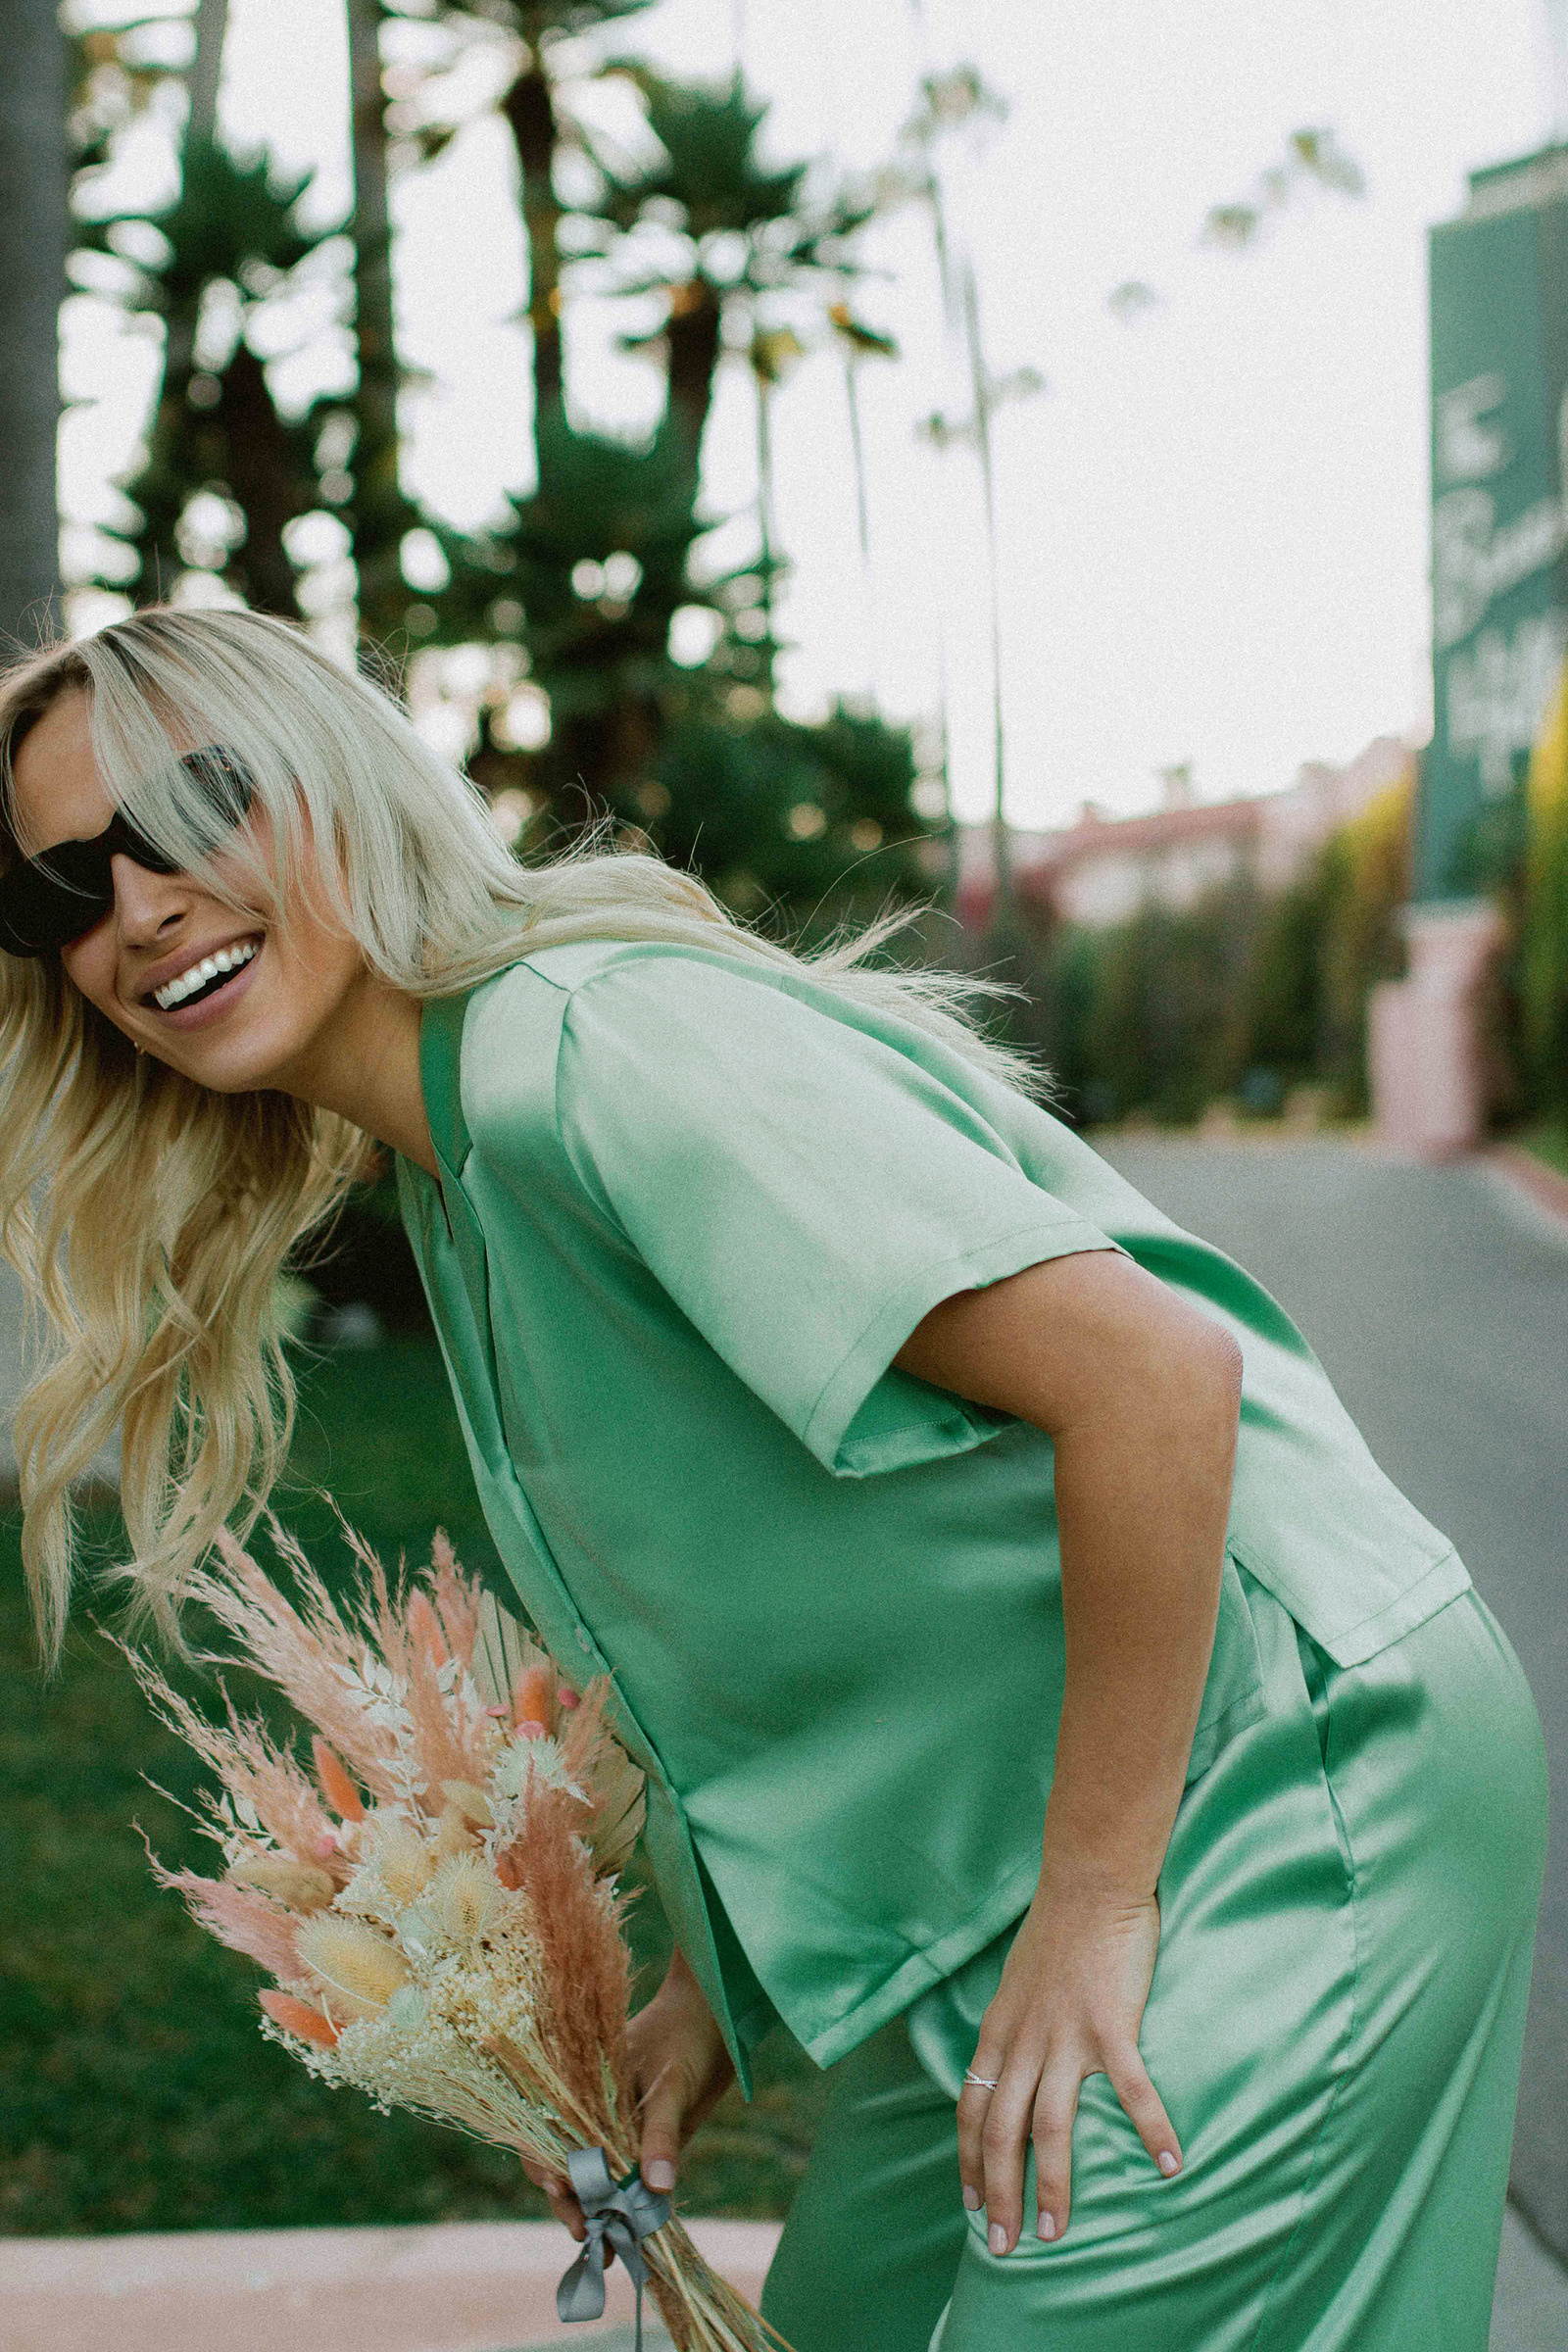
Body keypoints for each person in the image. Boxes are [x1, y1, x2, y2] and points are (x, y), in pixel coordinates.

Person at [0, 604, 1546, 2352]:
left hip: (1278, 1769)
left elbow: (1150, 1377)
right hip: (1016, 1850)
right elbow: (764, 1607)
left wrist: (1105, 1902)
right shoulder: (460, 1155)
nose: (138, 907)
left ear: (337, 777)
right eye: (61, 889)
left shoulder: (579, 1051)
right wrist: (700, 2000)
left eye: (192, 810)